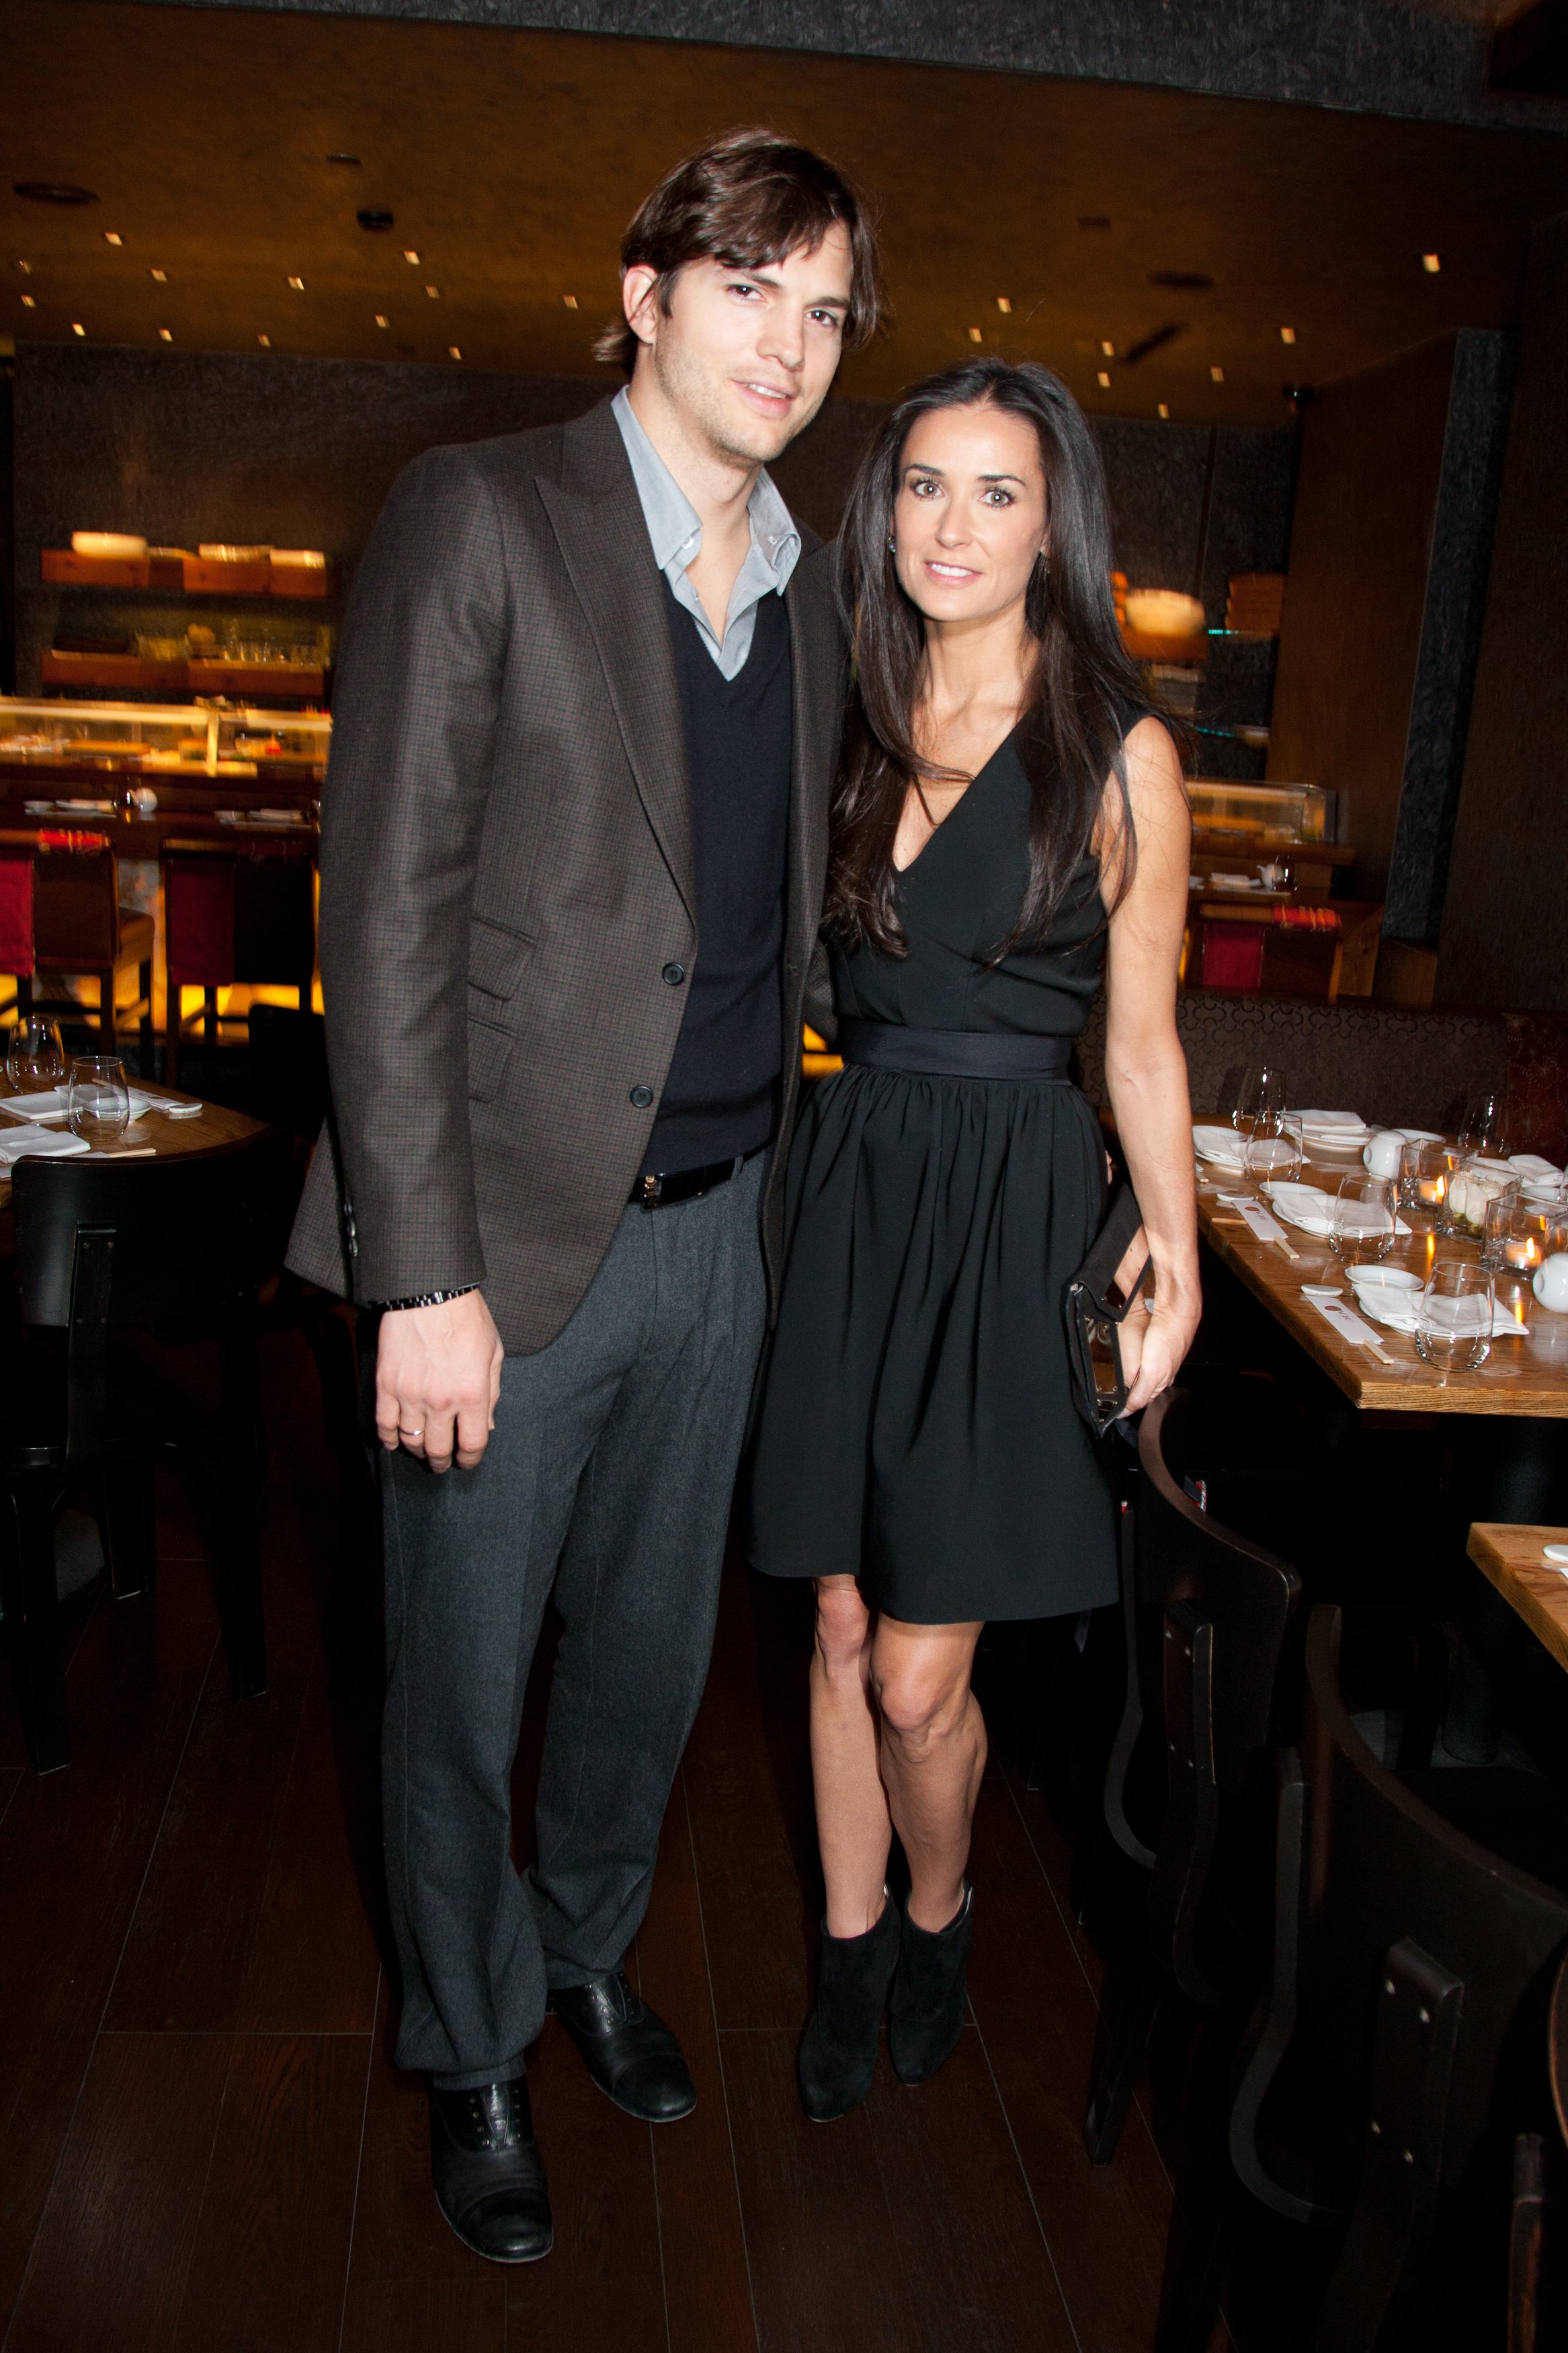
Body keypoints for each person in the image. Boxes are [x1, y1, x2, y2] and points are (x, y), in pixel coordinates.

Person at [286, 128, 885, 2260]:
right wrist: (415, 1270)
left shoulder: (808, 581)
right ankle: (466, 2041)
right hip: (498, 1251)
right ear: (644, 291)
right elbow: (386, 919)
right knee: (456, 1682)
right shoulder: (483, 515)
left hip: (723, 1231)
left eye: (826, 312)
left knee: (643, 1665)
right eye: (752, 289)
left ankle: (582, 1952)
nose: (791, 345)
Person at [747, 358, 1200, 2121]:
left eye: (997, 491)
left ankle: (940, 1904)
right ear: (885, 512)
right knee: (844, 1622)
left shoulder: (1119, 747)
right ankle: (849, 1943)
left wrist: (1173, 1240)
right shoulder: (842, 712)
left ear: (1054, 521)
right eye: (925, 486)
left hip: (1013, 1206)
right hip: (847, 1179)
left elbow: (1141, 1040)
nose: (954, 523)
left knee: (928, 1669)